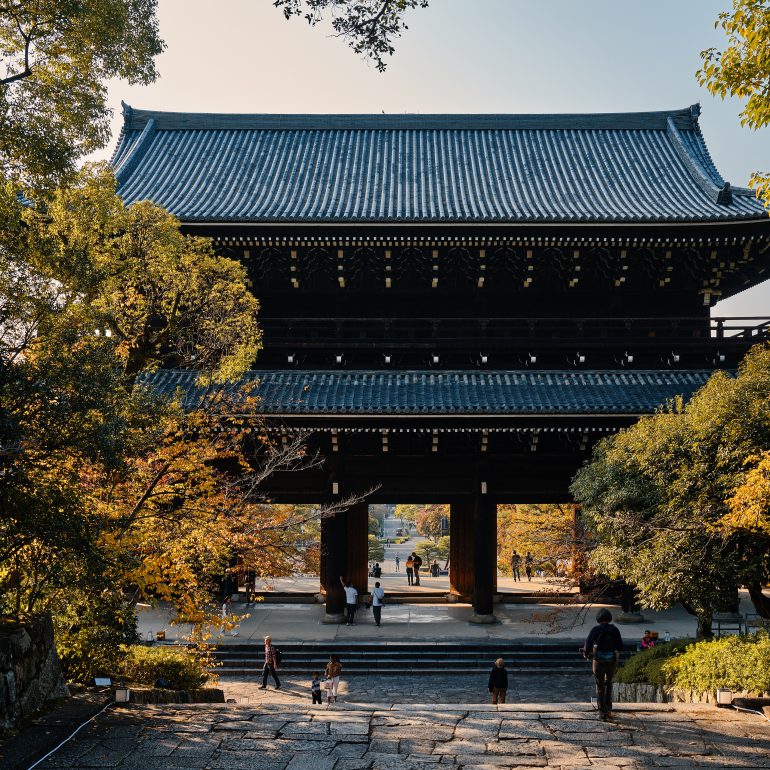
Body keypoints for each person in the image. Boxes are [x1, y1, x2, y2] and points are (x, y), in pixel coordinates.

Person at [582, 608, 624, 720]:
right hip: (611, 660)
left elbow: (588, 643)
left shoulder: (596, 629)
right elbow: (620, 645)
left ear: (598, 619)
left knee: (599, 686)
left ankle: (602, 712)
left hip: (599, 660)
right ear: (609, 618)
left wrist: (586, 653)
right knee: (608, 683)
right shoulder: (614, 629)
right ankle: (609, 709)